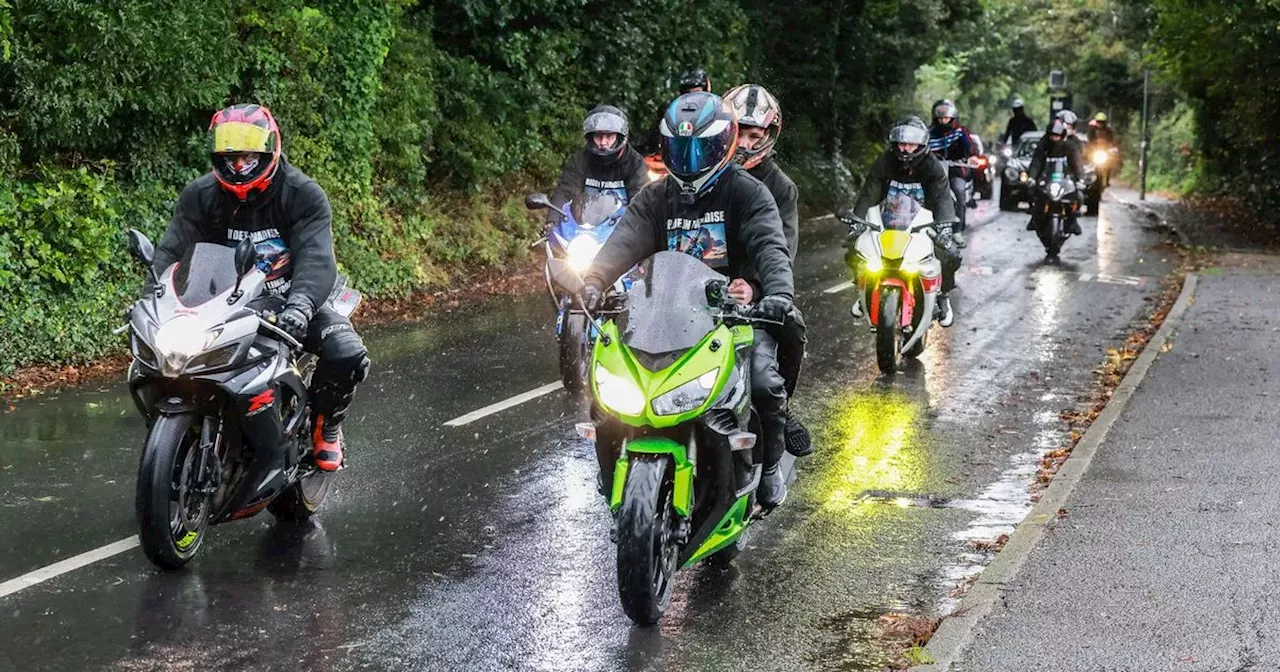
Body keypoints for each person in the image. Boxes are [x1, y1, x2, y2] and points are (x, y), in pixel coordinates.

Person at [582, 92, 796, 508]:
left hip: (734, 317)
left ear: (723, 144)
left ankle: (768, 468)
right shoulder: (655, 197)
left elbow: (772, 247)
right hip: (663, 313)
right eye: (681, 147)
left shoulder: (749, 193)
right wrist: (594, 279)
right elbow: (624, 241)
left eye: (702, 146)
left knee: (764, 384)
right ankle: (611, 472)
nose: (691, 157)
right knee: (608, 387)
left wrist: (773, 292)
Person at [153, 103, 370, 472]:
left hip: (292, 298)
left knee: (346, 354)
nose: (238, 165)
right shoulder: (200, 195)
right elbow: (172, 251)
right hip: (224, 304)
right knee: (159, 363)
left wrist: (300, 306)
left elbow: (316, 257)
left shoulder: (303, 194)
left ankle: (327, 426)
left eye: (248, 155)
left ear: (270, 148)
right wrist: (152, 299)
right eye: (230, 155)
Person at [724, 83, 811, 457]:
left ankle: (773, 455)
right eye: (738, 132)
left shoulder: (780, 188)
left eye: (753, 134)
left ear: (768, 136)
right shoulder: (697, 179)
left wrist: (758, 290)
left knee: (762, 380)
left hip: (750, 304)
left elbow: (781, 252)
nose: (744, 142)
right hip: (692, 296)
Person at [847, 116, 961, 327]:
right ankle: (862, 288)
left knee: (951, 253)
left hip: (924, 223)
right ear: (894, 143)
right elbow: (869, 192)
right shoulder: (885, 161)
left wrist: (945, 226)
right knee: (854, 250)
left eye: (911, 144)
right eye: (902, 143)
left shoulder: (932, 166)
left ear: (922, 144)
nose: (906, 148)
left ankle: (943, 296)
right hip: (889, 220)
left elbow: (943, 198)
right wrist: (857, 221)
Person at [546, 105, 648, 228]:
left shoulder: (635, 163)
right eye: (598, 136)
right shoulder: (580, 160)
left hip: (620, 232)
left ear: (619, 137)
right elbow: (565, 191)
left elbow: (639, 201)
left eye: (609, 136)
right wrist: (552, 222)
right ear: (590, 137)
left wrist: (637, 229)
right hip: (582, 231)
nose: (603, 142)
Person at [633, 67, 713, 157]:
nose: (693, 96)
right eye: (688, 93)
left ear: (706, 90)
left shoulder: (715, 111)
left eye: (697, 92)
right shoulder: (671, 111)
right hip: (677, 159)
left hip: (707, 158)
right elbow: (653, 136)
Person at [928, 99, 976, 247]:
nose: (943, 121)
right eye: (940, 118)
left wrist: (972, 156)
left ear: (952, 118)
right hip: (935, 172)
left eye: (946, 118)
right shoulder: (929, 133)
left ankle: (957, 230)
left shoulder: (960, 132)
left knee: (960, 192)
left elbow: (970, 148)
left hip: (956, 170)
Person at [1026, 117, 1084, 235]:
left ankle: (1073, 221)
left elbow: (1077, 163)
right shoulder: (1042, 146)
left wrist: (1080, 178)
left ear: (1062, 136)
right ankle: (1034, 217)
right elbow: (1036, 163)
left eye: (1057, 136)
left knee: (1079, 195)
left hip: (1065, 178)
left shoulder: (1070, 147)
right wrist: (1032, 177)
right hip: (1045, 178)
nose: (1054, 138)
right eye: (1052, 135)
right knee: (1032, 192)